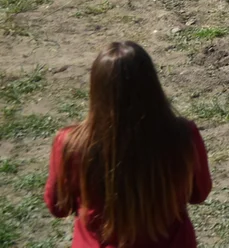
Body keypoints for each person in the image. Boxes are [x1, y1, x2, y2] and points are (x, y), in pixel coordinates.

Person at [44, 41, 212, 248]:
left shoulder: (70, 143)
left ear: (96, 87)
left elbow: (58, 207)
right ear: (152, 85)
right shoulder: (183, 135)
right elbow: (199, 194)